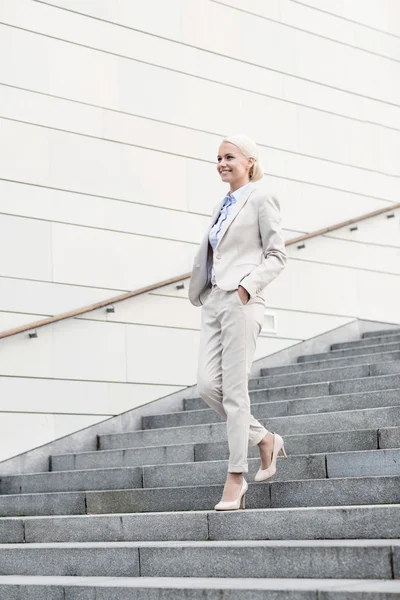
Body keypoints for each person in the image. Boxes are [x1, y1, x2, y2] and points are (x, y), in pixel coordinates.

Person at [188, 134, 288, 511]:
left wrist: (247, 287)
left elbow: (277, 255)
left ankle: (235, 478)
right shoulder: (222, 204)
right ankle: (265, 439)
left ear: (249, 161)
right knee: (205, 386)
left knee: (234, 391)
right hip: (214, 300)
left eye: (229, 156)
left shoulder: (262, 197)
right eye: (217, 158)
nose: (221, 163)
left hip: (242, 299)